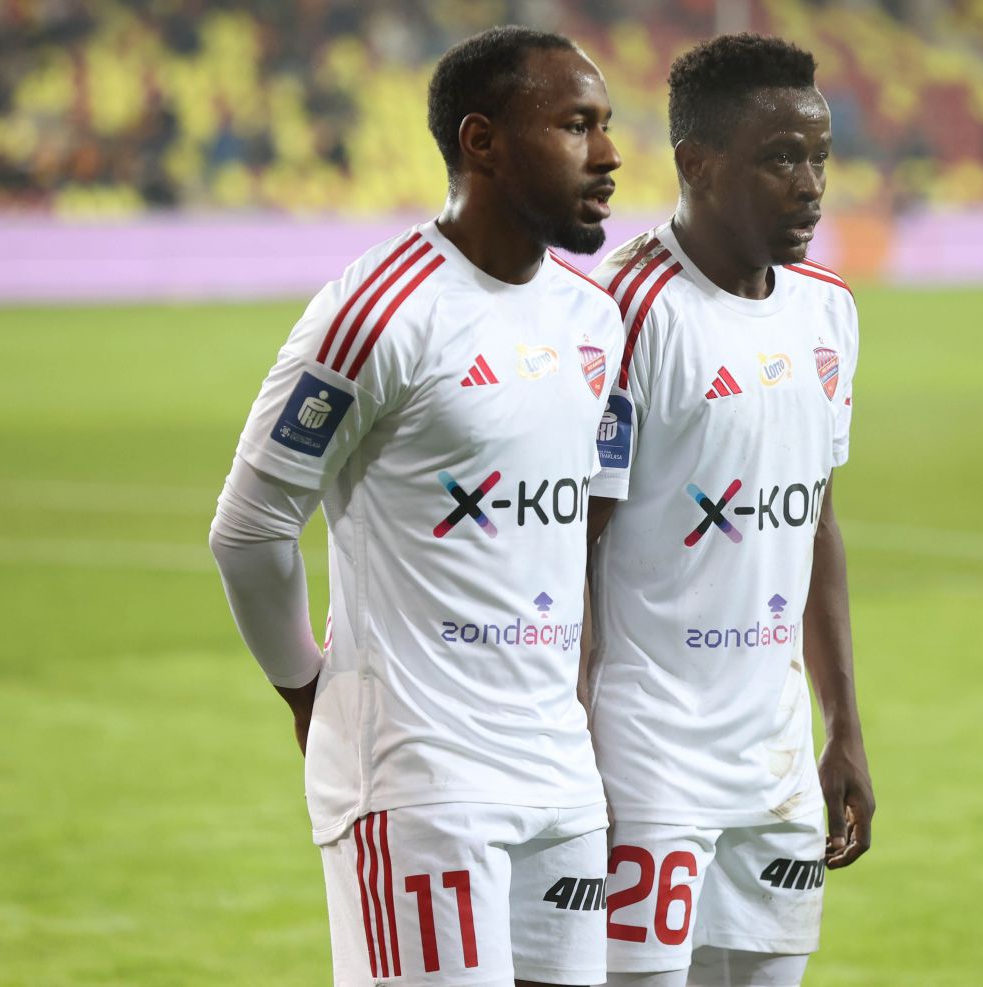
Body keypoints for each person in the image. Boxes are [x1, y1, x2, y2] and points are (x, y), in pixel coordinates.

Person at [209, 26, 624, 987]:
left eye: (605, 125)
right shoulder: (379, 312)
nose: (607, 154)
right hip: (421, 780)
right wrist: (308, 690)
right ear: (483, 142)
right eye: (576, 126)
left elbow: (578, 529)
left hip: (562, 777)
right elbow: (250, 529)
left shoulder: (594, 319)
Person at [584, 34, 874, 987]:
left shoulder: (828, 308)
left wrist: (843, 725)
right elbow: (574, 544)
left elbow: (815, 520)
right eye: (782, 158)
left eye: (820, 157)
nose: (811, 185)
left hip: (777, 760)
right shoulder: (625, 311)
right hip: (643, 753)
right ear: (698, 164)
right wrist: (569, 750)